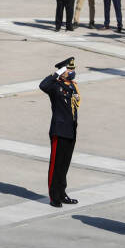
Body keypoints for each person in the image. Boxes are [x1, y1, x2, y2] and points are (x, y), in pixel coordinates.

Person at [39, 57, 80, 208]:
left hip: (71, 129)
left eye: (73, 69)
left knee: (65, 164)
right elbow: (42, 85)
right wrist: (57, 73)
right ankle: (54, 195)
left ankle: (62, 193)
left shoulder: (73, 86)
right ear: (62, 71)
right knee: (56, 164)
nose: (72, 72)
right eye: (69, 69)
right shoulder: (55, 86)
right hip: (59, 129)